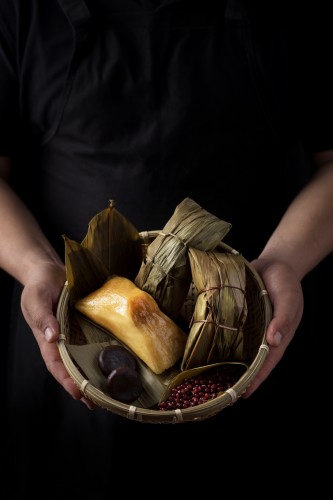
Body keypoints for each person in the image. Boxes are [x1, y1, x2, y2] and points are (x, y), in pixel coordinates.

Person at [1, 0, 332, 497]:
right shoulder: (22, 13)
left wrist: (284, 261)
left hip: (245, 348)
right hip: (72, 369)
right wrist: (36, 267)